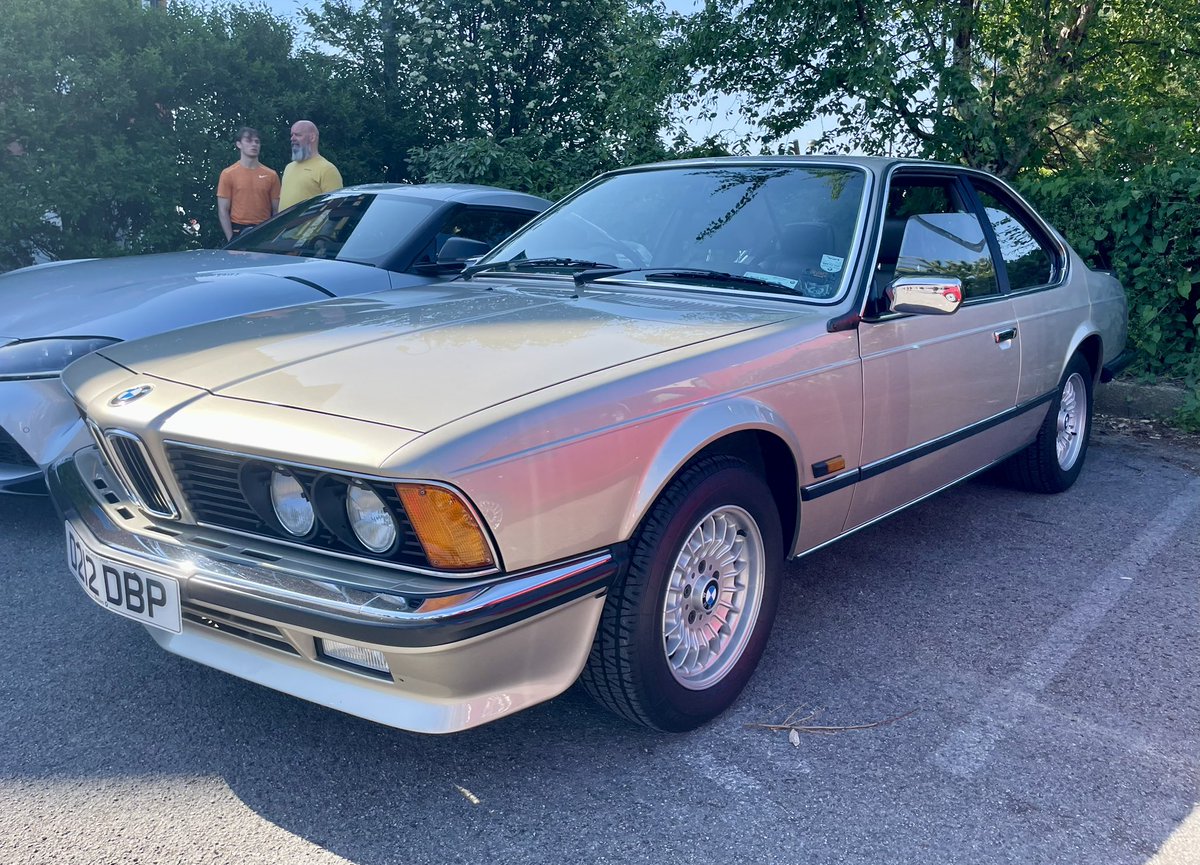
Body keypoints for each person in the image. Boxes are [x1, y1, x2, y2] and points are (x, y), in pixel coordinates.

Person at [216, 127, 281, 242]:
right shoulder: (228, 174)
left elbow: (277, 210)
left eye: (257, 141)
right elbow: (223, 210)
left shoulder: (271, 175)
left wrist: (273, 235)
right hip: (238, 230)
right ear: (239, 144)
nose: (254, 144)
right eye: (249, 141)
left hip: (264, 229)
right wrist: (231, 239)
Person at [278, 120, 343, 210]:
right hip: (284, 224)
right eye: (291, 135)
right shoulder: (289, 167)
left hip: (312, 224)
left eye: (298, 135)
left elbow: (334, 208)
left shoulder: (327, 169)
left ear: (312, 137)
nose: (292, 139)